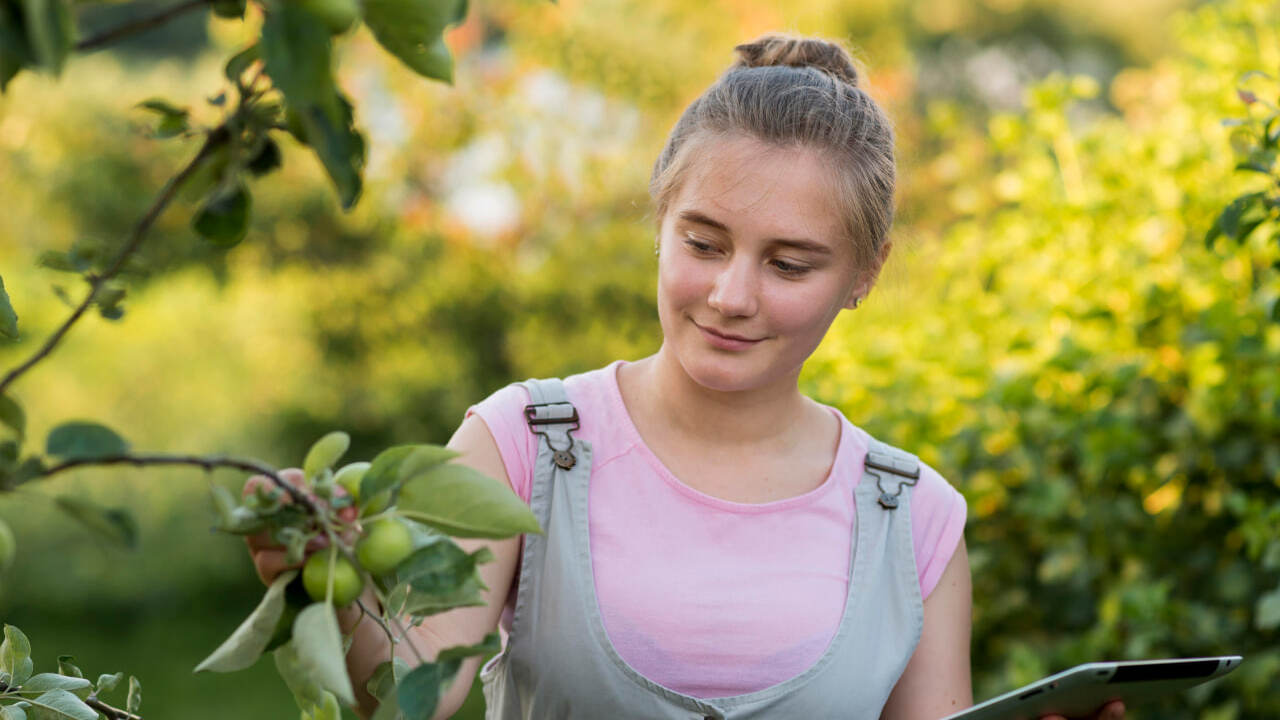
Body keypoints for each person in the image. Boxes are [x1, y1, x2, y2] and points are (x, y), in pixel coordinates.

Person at [247, 34, 1127, 720]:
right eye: (703, 243)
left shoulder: (914, 517)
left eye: (790, 265)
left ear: (866, 271)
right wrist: (316, 580)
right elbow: (409, 697)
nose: (730, 295)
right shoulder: (523, 445)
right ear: (661, 217)